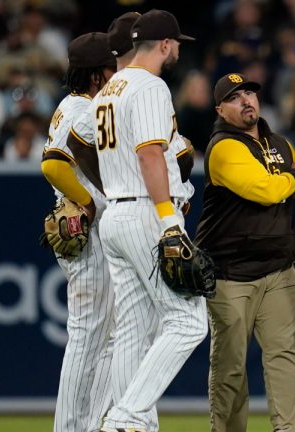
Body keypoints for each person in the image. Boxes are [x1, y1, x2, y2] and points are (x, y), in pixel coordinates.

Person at [90, 10, 209, 431]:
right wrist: (169, 221)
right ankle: (125, 417)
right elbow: (149, 153)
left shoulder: (109, 89)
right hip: (145, 210)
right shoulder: (150, 85)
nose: (178, 49)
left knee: (133, 329)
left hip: (116, 214)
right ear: (162, 45)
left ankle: (131, 423)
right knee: (189, 321)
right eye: (176, 43)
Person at [194, 73, 295, 432]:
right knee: (230, 366)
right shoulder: (223, 146)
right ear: (220, 109)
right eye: (234, 97)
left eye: (249, 93)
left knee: (284, 358)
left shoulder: (278, 142)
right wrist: (294, 176)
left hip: (279, 270)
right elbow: (265, 189)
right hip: (231, 274)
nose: (246, 101)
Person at [40, 31, 116, 432]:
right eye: (110, 66)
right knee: (89, 335)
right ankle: (69, 428)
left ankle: (88, 424)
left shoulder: (74, 105)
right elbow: (52, 165)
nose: (116, 71)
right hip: (87, 231)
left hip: (91, 230)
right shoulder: (84, 111)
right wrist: (85, 203)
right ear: (95, 76)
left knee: (109, 334)